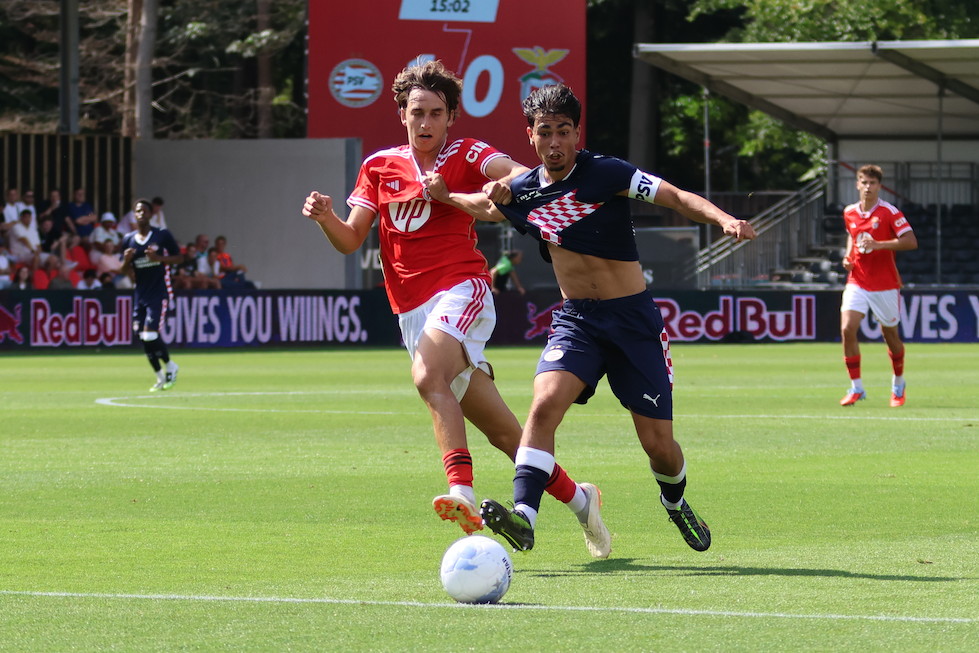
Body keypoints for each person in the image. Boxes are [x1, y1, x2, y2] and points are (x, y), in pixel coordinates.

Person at [424, 83, 756, 554]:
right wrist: (450, 195)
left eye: (564, 131)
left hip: (634, 322)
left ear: (577, 133)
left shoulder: (607, 173)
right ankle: (525, 517)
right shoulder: (521, 191)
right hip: (578, 321)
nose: (555, 142)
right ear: (530, 137)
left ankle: (675, 501)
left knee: (659, 445)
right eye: (545, 133)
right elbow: (488, 207)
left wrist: (723, 219)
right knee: (542, 406)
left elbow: (677, 196)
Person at [302, 61, 610, 558]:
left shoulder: (466, 153)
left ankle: (460, 492)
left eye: (436, 114)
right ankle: (582, 502)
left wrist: (503, 185)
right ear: (401, 113)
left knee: (427, 378)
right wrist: (324, 218)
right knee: (509, 436)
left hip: (462, 290)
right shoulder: (379, 167)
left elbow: (516, 174)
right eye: (417, 112)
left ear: (450, 119)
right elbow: (350, 240)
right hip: (412, 312)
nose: (426, 123)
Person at [839, 164, 918, 407]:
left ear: (879, 186)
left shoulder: (890, 212)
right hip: (858, 281)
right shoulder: (850, 212)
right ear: (857, 184)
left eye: (872, 183)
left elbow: (911, 242)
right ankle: (856, 388)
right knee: (847, 329)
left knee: (890, 335)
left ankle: (898, 384)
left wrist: (879, 245)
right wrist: (847, 256)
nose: (867, 187)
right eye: (863, 182)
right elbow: (852, 237)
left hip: (884, 284)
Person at [120, 199, 183, 392]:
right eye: (137, 211)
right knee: (142, 335)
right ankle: (159, 376)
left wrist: (159, 259)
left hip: (159, 292)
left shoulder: (161, 235)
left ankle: (171, 365)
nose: (140, 214)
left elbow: (179, 258)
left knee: (150, 333)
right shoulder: (129, 239)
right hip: (141, 294)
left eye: (144, 211)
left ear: (151, 215)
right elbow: (124, 271)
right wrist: (126, 260)